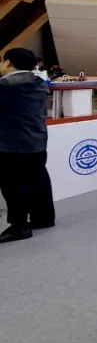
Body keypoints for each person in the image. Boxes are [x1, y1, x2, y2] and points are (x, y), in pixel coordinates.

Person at [0, 48, 55, 243]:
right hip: (37, 141)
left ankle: (19, 226)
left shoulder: (6, 85)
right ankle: (44, 218)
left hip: (11, 144)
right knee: (38, 180)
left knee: (13, 185)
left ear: (8, 62)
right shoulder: (39, 83)